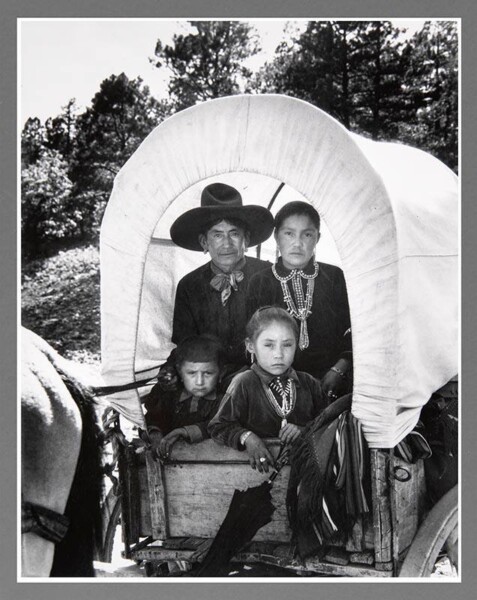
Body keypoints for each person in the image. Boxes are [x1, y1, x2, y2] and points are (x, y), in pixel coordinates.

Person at [159, 182, 274, 389]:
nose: (227, 244)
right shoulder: (189, 286)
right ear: (204, 242)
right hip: (207, 382)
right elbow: (186, 344)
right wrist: (172, 368)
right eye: (217, 235)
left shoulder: (268, 276)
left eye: (234, 233)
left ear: (246, 239)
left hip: (260, 378)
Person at [246, 201, 352, 402]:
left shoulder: (334, 277)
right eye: (289, 234)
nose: (297, 243)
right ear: (277, 237)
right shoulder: (260, 282)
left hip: (332, 377)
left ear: (317, 238)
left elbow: (353, 329)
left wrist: (339, 369)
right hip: (276, 378)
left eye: (307, 234)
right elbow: (254, 339)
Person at [208, 307, 327, 473]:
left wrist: (303, 430)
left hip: (302, 475)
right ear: (250, 346)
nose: (278, 354)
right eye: (269, 345)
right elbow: (218, 427)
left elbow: (328, 425)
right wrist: (248, 438)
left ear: (297, 344)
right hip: (253, 477)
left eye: (287, 345)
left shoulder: (309, 383)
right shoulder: (244, 382)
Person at [144, 335, 224, 459]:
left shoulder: (223, 401)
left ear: (220, 373)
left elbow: (220, 426)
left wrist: (184, 432)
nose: (199, 381)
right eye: (191, 373)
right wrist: (155, 434)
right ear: (180, 372)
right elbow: (151, 419)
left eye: (208, 373)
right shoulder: (169, 398)